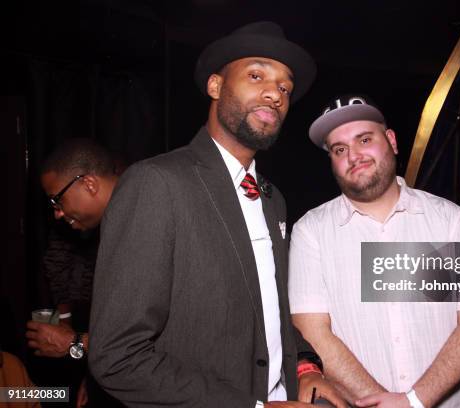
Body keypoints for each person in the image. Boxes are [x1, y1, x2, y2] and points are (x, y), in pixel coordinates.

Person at [88, 21, 345, 408]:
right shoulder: (157, 183)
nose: (275, 94)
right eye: (257, 75)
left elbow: (270, 310)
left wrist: (306, 368)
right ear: (215, 86)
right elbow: (117, 356)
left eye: (284, 87)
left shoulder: (273, 198)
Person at [289, 95, 460, 408]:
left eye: (365, 139)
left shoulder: (449, 219)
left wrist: (414, 401)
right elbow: (312, 331)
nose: (353, 156)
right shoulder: (310, 231)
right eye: (339, 149)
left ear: (392, 140)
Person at [27, 138, 123, 407]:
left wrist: (73, 344)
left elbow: (145, 342)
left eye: (57, 200)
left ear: (89, 184)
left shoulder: (142, 225)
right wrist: (96, 375)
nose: (57, 213)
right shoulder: (118, 225)